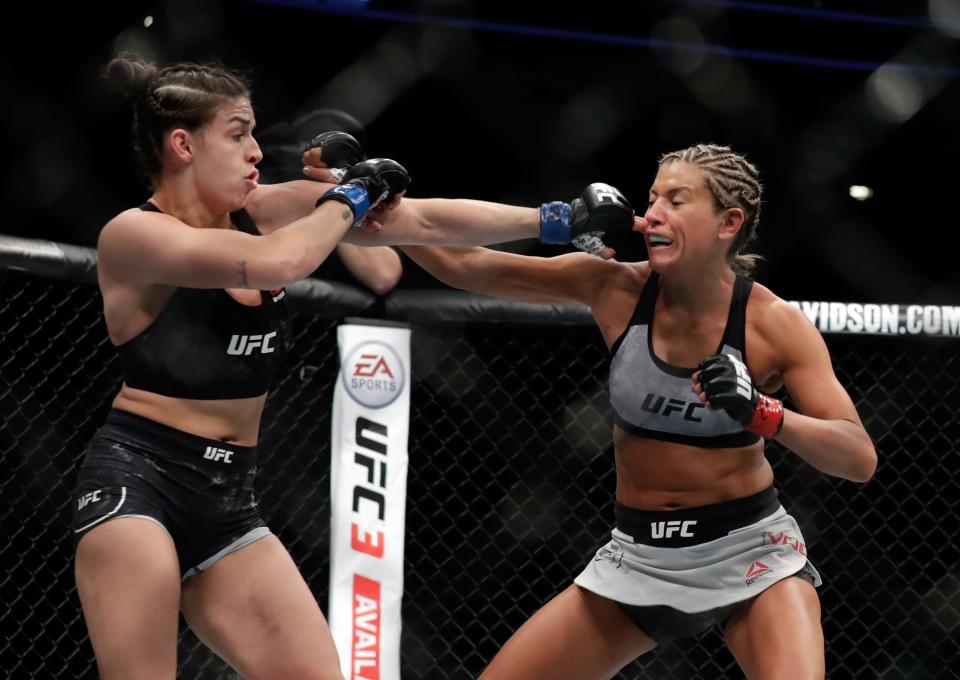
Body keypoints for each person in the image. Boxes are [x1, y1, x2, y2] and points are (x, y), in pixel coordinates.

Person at [73, 55, 633, 680]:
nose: (257, 151)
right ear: (182, 145)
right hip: (139, 482)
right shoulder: (134, 235)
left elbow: (416, 222)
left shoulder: (262, 209)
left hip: (229, 499)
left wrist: (555, 219)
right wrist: (351, 192)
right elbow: (279, 264)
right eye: (238, 134)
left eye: (255, 132)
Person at [390, 143, 877, 679]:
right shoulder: (615, 287)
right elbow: (465, 266)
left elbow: (857, 458)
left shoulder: (772, 324)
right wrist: (373, 200)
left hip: (751, 556)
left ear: (728, 222)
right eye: (652, 198)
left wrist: (765, 413)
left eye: (677, 199)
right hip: (638, 558)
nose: (653, 215)